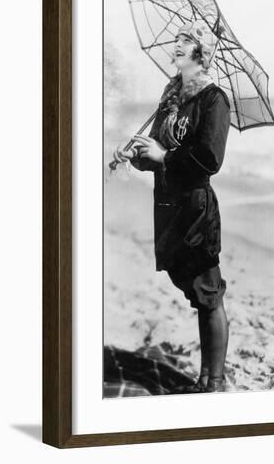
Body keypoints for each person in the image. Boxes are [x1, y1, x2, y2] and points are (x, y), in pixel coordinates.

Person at [113, 20, 231, 393]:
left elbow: (210, 159)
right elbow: (157, 156)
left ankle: (213, 382)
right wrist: (136, 155)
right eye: (177, 39)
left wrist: (164, 155)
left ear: (201, 52)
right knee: (198, 295)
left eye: (185, 41)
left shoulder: (213, 99)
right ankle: (203, 378)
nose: (176, 45)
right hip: (169, 208)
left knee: (209, 296)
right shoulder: (171, 97)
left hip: (195, 211)